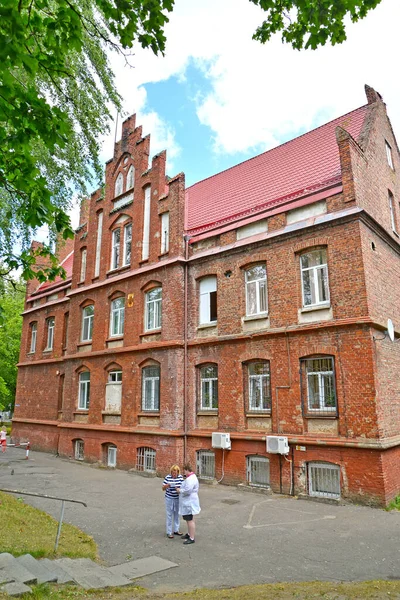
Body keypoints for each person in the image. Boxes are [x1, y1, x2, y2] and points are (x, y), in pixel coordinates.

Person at [177, 463, 200, 545]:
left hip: (189, 502)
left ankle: (192, 538)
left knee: (189, 520)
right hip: (190, 501)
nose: (184, 472)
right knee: (189, 519)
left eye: (184, 470)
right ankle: (189, 534)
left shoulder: (190, 479)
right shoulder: (192, 477)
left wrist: (180, 490)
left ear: (187, 470)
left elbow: (187, 491)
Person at [162, 464, 184, 539]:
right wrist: (166, 486)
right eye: (172, 473)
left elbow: (183, 488)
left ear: (178, 472)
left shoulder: (181, 478)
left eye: (175, 473)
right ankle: (169, 532)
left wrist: (179, 489)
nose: (174, 474)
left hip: (177, 498)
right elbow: (163, 488)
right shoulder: (167, 477)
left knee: (177, 514)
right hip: (169, 498)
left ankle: (176, 530)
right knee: (169, 515)